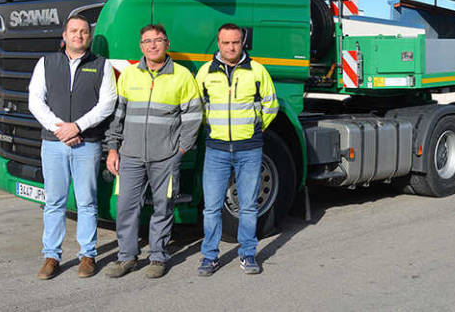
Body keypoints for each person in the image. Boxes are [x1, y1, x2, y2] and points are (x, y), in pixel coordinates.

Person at [103, 24, 202, 279]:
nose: (152, 45)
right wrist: (113, 149)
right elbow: (117, 117)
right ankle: (126, 257)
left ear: (167, 43)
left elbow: (193, 117)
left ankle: (158, 256)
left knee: (163, 207)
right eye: (147, 41)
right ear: (141, 46)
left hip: (166, 156)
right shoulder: (129, 75)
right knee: (126, 207)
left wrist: (180, 149)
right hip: (131, 156)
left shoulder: (182, 76)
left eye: (157, 40)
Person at [28, 14, 117, 280]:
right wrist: (61, 128)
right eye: (74, 31)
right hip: (53, 144)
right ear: (64, 35)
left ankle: (88, 255)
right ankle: (51, 257)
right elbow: (35, 101)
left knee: (87, 202)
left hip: (87, 144)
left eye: (84, 32)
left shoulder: (102, 65)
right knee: (54, 201)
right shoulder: (46, 63)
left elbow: (107, 103)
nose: (79, 35)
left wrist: (77, 127)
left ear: (89, 37)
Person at [196, 23, 279, 276]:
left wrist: (255, 129)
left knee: (248, 206)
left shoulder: (257, 71)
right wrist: (210, 129)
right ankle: (210, 257)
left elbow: (271, 105)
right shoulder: (205, 72)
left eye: (235, 42)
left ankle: (248, 254)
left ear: (242, 42)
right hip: (216, 150)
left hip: (249, 149)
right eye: (226, 43)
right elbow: (196, 106)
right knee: (211, 207)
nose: (231, 47)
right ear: (218, 44)